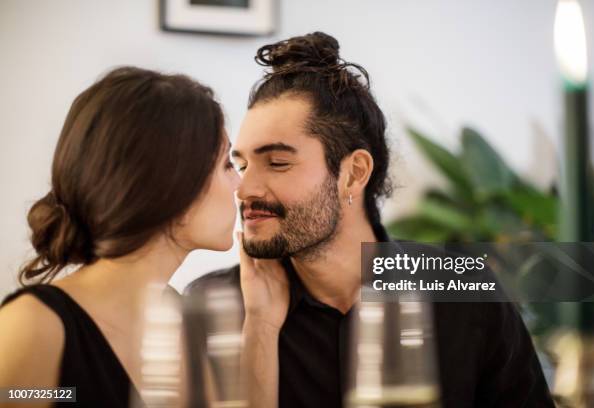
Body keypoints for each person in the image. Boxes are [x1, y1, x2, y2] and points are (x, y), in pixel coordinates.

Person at [186, 32, 555, 408]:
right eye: (241, 164)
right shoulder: (214, 307)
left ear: (353, 173)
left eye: (277, 163)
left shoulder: (463, 289)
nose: (244, 188)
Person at [0, 67, 240, 407]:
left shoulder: (179, 320)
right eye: (227, 165)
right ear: (172, 185)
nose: (241, 186)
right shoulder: (34, 328)